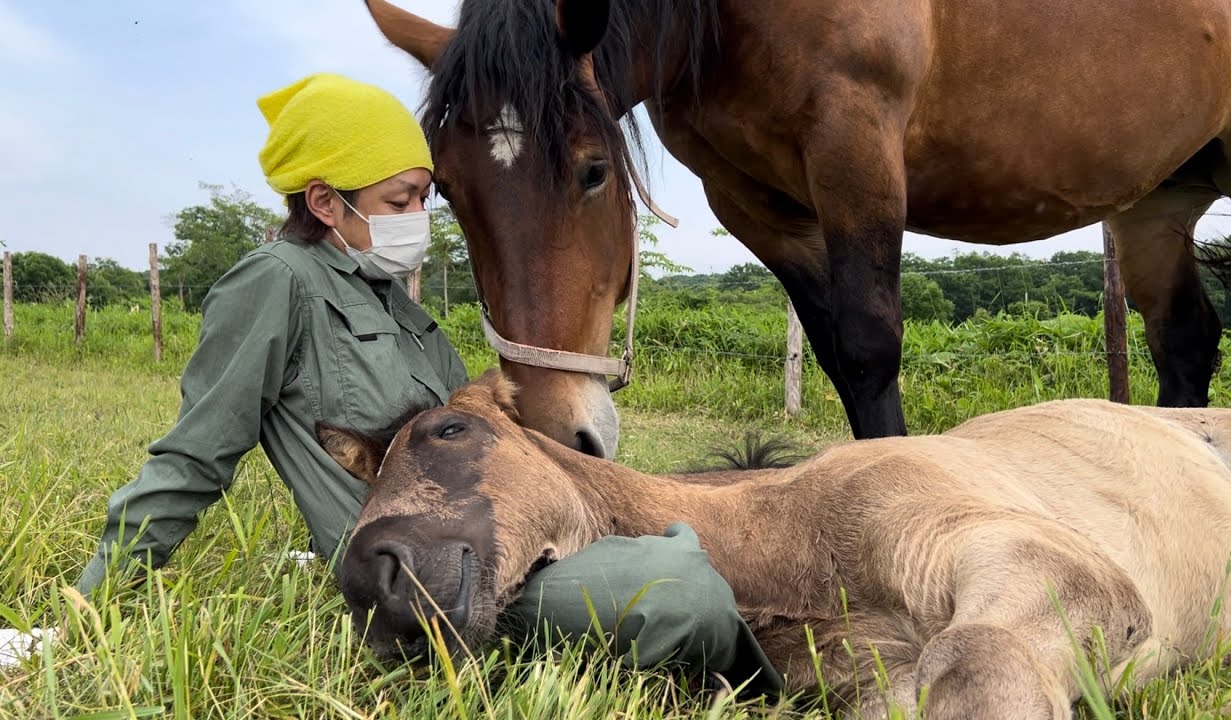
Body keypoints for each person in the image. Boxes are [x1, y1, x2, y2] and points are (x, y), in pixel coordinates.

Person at [71, 72, 782, 696]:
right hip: (428, 562)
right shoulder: (274, 283)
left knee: (724, 520)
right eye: (401, 200)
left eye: (424, 197)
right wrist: (88, 609)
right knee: (680, 592)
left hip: (502, 517)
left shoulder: (393, 301)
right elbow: (192, 457)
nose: (420, 219)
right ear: (324, 202)